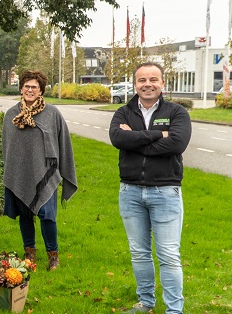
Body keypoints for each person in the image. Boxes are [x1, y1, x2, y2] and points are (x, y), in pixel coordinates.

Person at [109, 62, 191, 314]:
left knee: (168, 255)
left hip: (165, 192)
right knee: (139, 253)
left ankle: (174, 310)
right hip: (130, 192)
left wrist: (135, 138)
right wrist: (158, 134)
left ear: (162, 83)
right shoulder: (123, 112)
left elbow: (177, 144)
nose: (147, 84)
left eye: (153, 79)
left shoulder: (177, 113)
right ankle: (145, 302)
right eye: (142, 80)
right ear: (135, 84)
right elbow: (117, 139)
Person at [2, 70, 78, 270]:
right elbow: (7, 147)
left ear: (41, 90)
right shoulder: (12, 114)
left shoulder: (52, 113)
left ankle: (53, 255)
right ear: (21, 88)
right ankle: (29, 254)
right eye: (26, 86)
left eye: (34, 87)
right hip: (20, 172)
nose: (29, 90)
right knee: (25, 214)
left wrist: (63, 168)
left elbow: (63, 142)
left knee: (47, 215)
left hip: (46, 173)